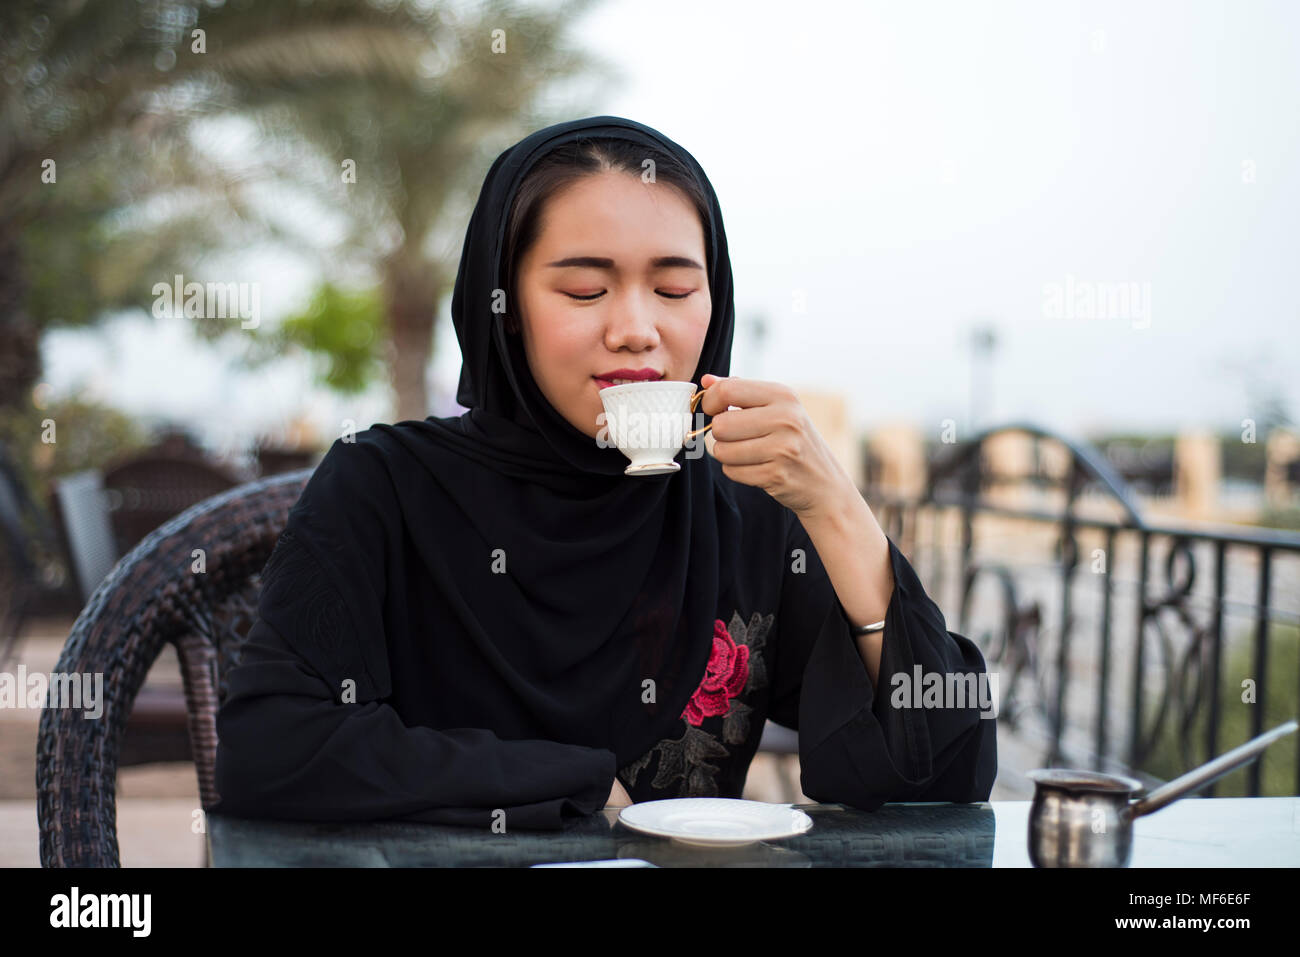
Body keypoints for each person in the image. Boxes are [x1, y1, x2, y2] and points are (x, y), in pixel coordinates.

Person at [212, 116, 996, 831]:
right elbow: (273, 747)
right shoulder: (382, 488)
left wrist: (838, 510)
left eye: (675, 289)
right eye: (584, 288)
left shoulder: (748, 514)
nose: (635, 329)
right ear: (505, 304)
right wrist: (579, 783)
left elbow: (943, 773)